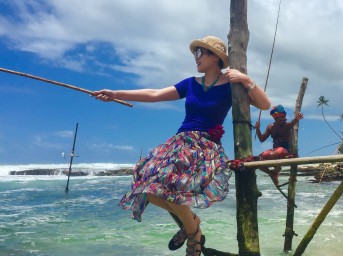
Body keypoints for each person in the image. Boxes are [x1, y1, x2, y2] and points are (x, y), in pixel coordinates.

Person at [94, 35, 270, 256]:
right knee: (146, 185)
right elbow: (156, 94)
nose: (196, 58)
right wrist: (116, 94)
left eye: (200, 53)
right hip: (179, 142)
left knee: (170, 187)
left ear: (215, 56)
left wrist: (246, 80)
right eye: (195, 53)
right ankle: (193, 227)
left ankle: (192, 232)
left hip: (204, 146)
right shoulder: (190, 83)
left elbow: (265, 104)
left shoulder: (232, 87)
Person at [254, 105, 304, 185]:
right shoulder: (270, 127)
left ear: (284, 116)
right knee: (257, 159)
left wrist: (297, 118)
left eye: (282, 117)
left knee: (273, 154)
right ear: (274, 118)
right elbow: (261, 139)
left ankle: (277, 170)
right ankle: (272, 174)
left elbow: (292, 123)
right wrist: (257, 129)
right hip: (275, 150)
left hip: (285, 150)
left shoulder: (287, 125)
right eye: (277, 118)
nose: (280, 119)